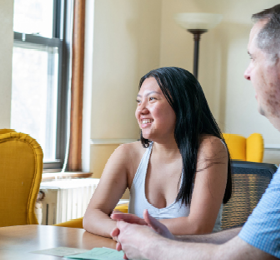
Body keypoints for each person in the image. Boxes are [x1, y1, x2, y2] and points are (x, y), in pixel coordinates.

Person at [112, 0, 280, 260]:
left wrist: (147, 245)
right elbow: (258, 237)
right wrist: (170, 238)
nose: (247, 73)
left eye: (253, 58)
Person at [83, 67, 232, 238]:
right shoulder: (127, 154)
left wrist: (136, 228)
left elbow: (198, 226)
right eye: (139, 102)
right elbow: (92, 216)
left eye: (152, 99)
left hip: (195, 259)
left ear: (182, 105)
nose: (141, 110)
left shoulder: (210, 148)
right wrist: (122, 231)